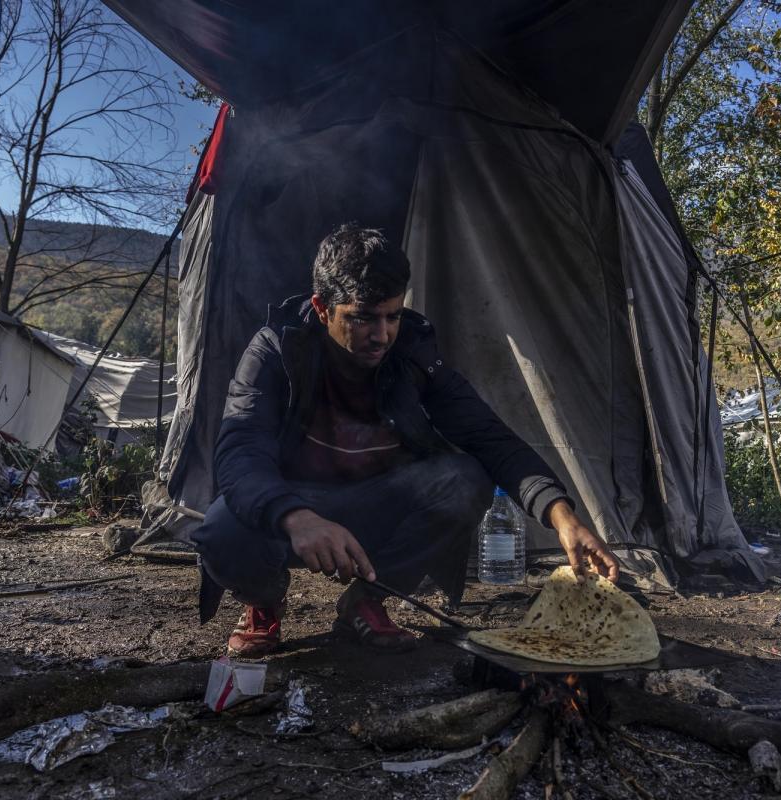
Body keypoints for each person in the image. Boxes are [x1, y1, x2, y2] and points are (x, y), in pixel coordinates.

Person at [193, 224, 620, 657]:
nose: (381, 335)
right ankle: (263, 602)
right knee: (223, 528)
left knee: (464, 479)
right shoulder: (276, 348)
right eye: (362, 318)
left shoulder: (414, 352)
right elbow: (240, 449)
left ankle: (367, 600)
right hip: (292, 506)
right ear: (323, 309)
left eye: (392, 316)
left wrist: (561, 514)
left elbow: (488, 436)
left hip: (375, 504)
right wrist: (295, 516)